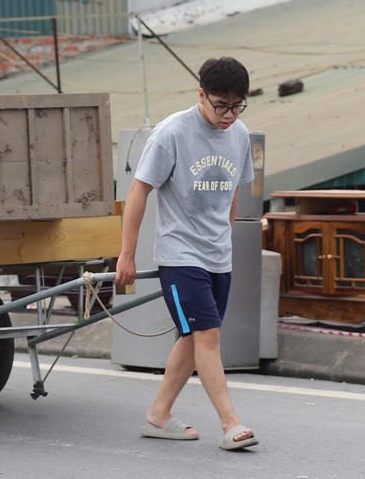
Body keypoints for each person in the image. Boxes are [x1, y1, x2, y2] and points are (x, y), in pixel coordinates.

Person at [115, 56, 258, 452]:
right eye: (220, 105)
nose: (229, 114)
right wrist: (127, 254)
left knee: (192, 338)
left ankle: (159, 414)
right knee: (207, 336)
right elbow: (138, 190)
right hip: (180, 254)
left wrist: (225, 234)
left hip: (218, 255)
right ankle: (231, 424)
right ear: (201, 94)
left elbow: (233, 190)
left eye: (237, 105)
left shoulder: (240, 133)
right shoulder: (172, 133)